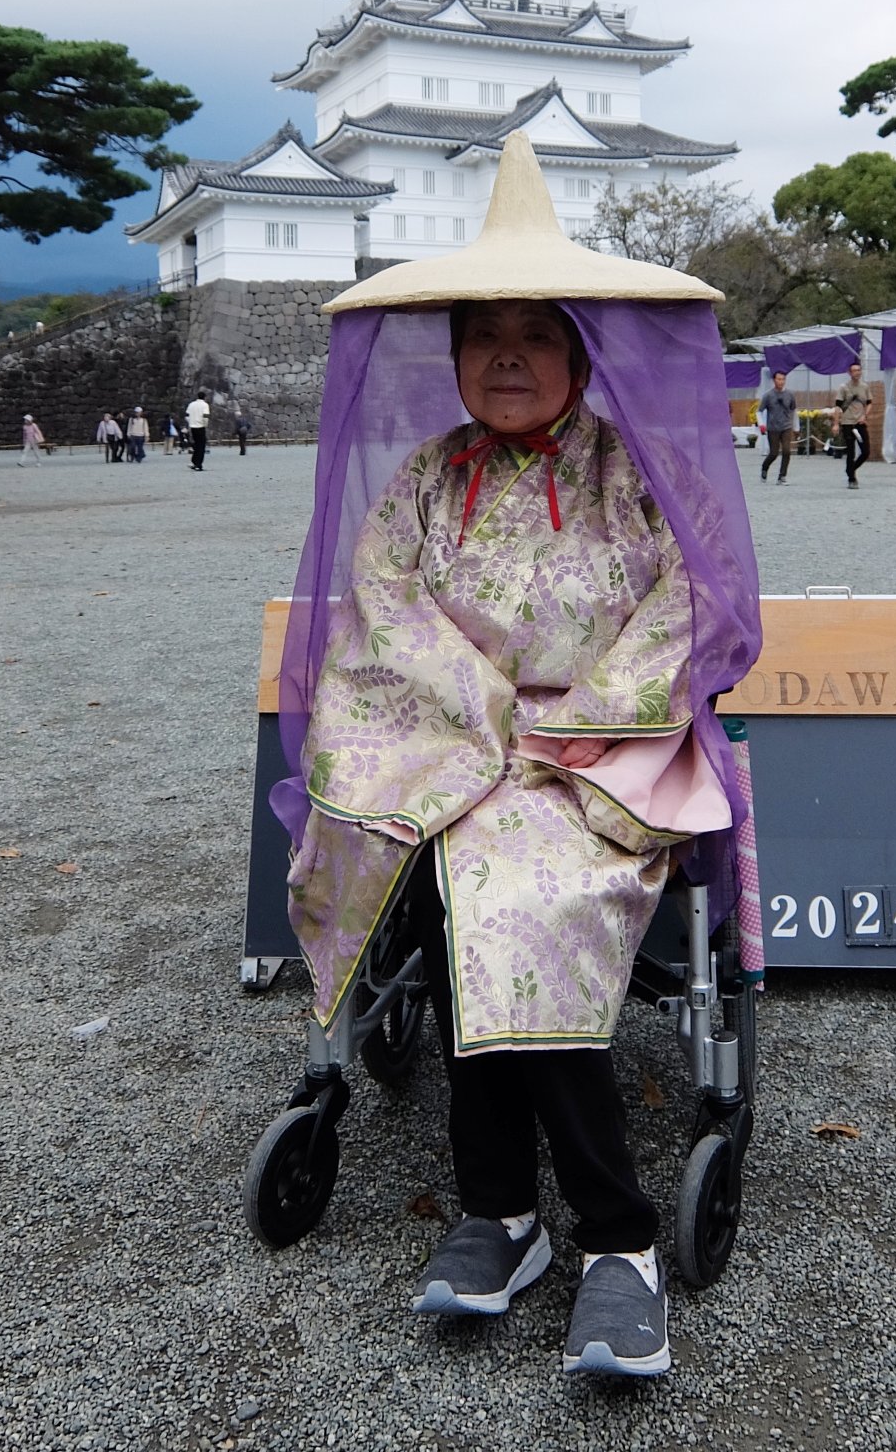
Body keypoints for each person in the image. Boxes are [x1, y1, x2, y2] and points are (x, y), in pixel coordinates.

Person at [279, 135, 761, 1381]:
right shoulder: (428, 482)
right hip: (452, 741)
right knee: (450, 888)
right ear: (452, 358)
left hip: (608, 752)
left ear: (579, 349)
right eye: (481, 335)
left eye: (533, 334)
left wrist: (588, 711)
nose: (504, 357)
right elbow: (383, 608)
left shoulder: (638, 476)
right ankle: (520, 1218)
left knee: (523, 901)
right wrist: (487, 711)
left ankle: (601, 1233)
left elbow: (695, 603)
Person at [832, 358, 873, 489]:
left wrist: (864, 415)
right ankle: (852, 478)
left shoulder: (865, 387)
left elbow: (869, 403)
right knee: (851, 451)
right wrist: (836, 423)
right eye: (854, 371)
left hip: (860, 422)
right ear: (849, 373)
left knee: (866, 451)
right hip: (847, 423)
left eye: (859, 370)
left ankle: (851, 469)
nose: (857, 373)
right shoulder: (844, 388)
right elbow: (837, 406)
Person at [757, 370, 799, 483]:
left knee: (786, 451)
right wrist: (761, 424)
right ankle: (764, 468)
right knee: (774, 453)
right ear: (774, 380)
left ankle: (782, 476)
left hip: (786, 426)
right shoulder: (768, 395)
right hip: (773, 428)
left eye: (783, 379)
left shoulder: (790, 395)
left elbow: (794, 411)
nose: (781, 382)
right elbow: (759, 411)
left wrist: (796, 427)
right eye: (779, 379)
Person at [186, 390, 210, 472]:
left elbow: (187, 415)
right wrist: (205, 424)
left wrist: (191, 422)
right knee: (201, 446)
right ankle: (198, 464)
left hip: (193, 427)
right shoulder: (205, 405)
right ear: (204, 397)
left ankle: (194, 461)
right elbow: (206, 416)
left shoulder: (191, 404)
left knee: (196, 445)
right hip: (200, 426)